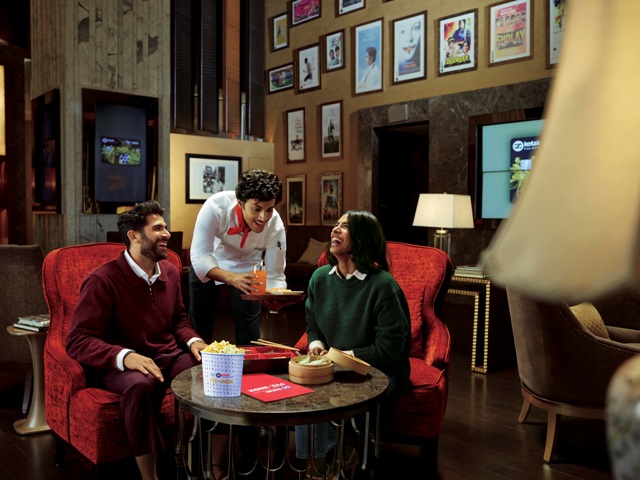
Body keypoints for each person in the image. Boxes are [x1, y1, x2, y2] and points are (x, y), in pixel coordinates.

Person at [65, 200, 209, 480]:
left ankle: (206, 464)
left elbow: (179, 320)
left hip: (168, 356)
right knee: (141, 385)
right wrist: (125, 356)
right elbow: (77, 340)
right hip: (120, 366)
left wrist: (194, 342)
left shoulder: (170, 271)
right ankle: (149, 476)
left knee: (210, 371)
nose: (167, 233)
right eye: (157, 228)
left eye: (165, 227)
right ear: (134, 236)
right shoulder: (102, 280)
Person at [295, 210, 411, 477]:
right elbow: (313, 325)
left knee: (316, 390)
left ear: (363, 238)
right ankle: (330, 457)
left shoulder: (383, 285)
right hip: (335, 367)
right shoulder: (319, 278)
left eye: (345, 226)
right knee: (303, 385)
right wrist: (316, 343)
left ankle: (320, 466)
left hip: (379, 371)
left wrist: (340, 356)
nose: (335, 229)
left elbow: (389, 350)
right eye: (335, 224)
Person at [189, 168, 287, 345]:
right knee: (200, 324)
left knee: (250, 332)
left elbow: (275, 272)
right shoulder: (215, 207)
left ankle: (248, 361)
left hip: (248, 266)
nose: (263, 217)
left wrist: (275, 297)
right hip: (211, 261)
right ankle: (196, 361)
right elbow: (200, 256)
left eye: (269, 210)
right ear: (240, 203)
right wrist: (232, 278)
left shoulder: (275, 226)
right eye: (256, 209)